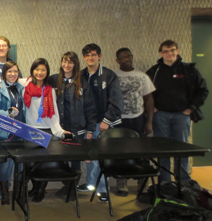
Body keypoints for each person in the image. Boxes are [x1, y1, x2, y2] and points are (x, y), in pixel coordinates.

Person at [146, 40, 208, 183]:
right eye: (166, 51)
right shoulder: (154, 71)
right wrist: (152, 108)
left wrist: (191, 108)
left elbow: (203, 90)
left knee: (182, 149)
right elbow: (145, 93)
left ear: (177, 51)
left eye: (172, 50)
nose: (170, 54)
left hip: (181, 116)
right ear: (160, 53)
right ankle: (165, 181)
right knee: (162, 150)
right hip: (160, 115)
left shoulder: (189, 70)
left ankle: (183, 181)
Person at [77, 43, 123, 203]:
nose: (90, 58)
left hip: (102, 123)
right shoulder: (80, 75)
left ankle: (102, 189)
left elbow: (116, 100)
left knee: (100, 157)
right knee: (90, 156)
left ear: (100, 56)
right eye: (87, 55)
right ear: (84, 57)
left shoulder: (109, 75)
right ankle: (91, 184)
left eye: (94, 54)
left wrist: (106, 121)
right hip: (86, 124)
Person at [48, 52, 97, 199]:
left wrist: (90, 129)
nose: (67, 65)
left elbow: (90, 107)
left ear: (75, 64)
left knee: (75, 160)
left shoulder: (82, 83)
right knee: (60, 158)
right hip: (60, 129)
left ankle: (73, 188)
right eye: (64, 61)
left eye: (70, 62)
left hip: (78, 129)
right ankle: (67, 185)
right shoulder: (54, 79)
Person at [23, 58, 70, 202]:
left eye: (43, 70)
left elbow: (54, 114)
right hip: (30, 131)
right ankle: (35, 187)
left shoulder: (50, 91)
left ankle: (40, 190)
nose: (40, 72)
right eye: (37, 69)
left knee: (42, 163)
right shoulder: (25, 86)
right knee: (31, 163)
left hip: (46, 131)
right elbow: (10, 79)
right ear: (32, 71)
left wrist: (60, 131)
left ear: (47, 72)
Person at [114, 47, 156, 196]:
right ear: (117, 61)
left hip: (138, 119)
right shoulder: (113, 76)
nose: (127, 59)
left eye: (129, 56)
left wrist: (149, 121)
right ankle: (122, 183)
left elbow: (149, 99)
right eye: (123, 57)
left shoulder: (142, 76)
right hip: (118, 120)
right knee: (121, 153)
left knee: (142, 152)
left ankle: (143, 184)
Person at [0, 61, 25, 206]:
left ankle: (18, 193)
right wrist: (8, 113)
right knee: (5, 165)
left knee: (20, 165)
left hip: (20, 132)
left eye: (15, 71)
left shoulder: (21, 88)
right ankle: (4, 193)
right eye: (9, 71)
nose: (13, 74)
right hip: (3, 133)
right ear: (4, 73)